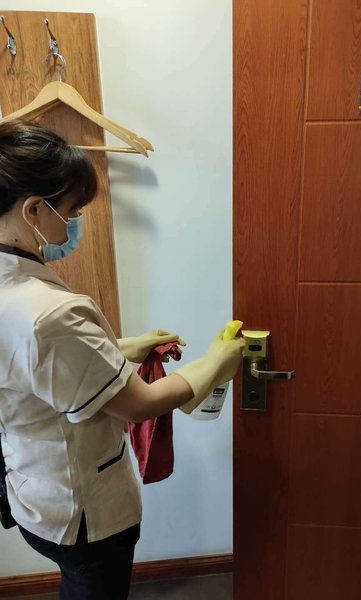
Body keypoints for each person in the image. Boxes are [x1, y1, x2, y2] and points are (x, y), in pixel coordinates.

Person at [0, 120, 244, 599]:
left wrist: (120, 347)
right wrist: (217, 360)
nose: (75, 223)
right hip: (82, 512)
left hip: (32, 490)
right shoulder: (46, 312)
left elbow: (33, 364)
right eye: (72, 210)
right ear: (33, 210)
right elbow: (138, 404)